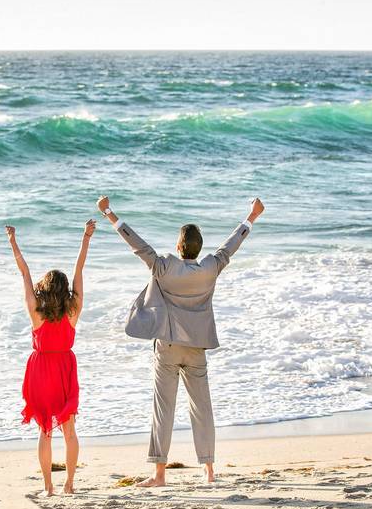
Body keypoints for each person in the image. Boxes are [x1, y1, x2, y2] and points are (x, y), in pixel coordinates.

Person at [96, 196, 265, 487]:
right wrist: (252, 216)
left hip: (168, 347)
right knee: (202, 408)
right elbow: (230, 247)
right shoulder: (210, 268)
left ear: (178, 247)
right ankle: (209, 471)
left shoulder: (164, 268)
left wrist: (110, 213)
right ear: (198, 249)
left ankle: (159, 474)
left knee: (164, 409)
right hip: (197, 348)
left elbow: (138, 246)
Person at [5, 219, 96, 496]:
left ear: (44, 289)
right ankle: (69, 484)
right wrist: (85, 237)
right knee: (69, 431)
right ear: (66, 290)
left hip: (41, 370)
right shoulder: (74, 310)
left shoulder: (36, 312)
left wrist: (13, 242)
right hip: (65, 368)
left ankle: (48, 487)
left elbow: (24, 273)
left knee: (45, 431)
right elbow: (80, 268)